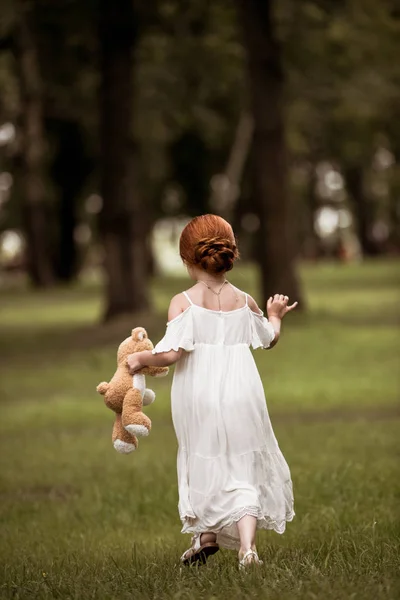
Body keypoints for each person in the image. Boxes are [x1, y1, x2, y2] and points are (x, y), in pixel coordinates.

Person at [127, 214, 296, 569]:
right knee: (241, 463)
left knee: (204, 457)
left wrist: (140, 358)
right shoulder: (244, 301)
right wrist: (275, 314)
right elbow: (269, 340)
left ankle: (205, 534)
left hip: (199, 395)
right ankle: (246, 549)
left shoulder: (184, 302)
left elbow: (172, 354)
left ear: (188, 259)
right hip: (242, 393)